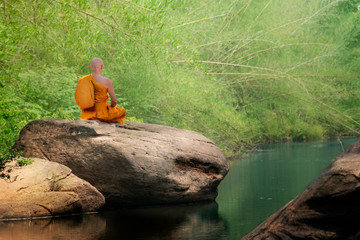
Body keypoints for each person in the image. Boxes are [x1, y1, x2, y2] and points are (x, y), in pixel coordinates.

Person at [80, 58, 127, 123]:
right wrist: (111, 107)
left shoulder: (84, 80)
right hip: (102, 114)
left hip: (87, 114)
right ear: (101, 67)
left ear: (91, 67)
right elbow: (114, 101)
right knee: (123, 112)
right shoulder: (106, 81)